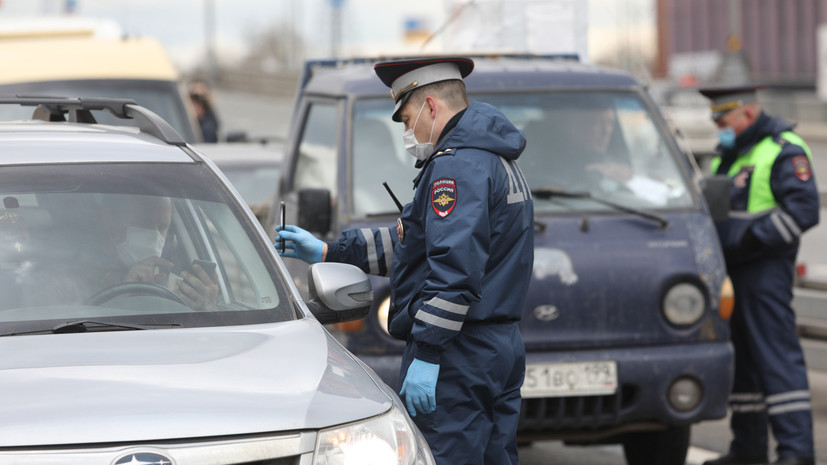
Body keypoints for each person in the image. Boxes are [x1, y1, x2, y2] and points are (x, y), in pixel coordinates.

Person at [277, 56, 534, 465]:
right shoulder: (494, 157)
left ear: (431, 106)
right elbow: (420, 244)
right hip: (497, 347)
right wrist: (330, 251)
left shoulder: (456, 166)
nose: (406, 131)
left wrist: (430, 351)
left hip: (457, 352)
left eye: (406, 117)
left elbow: (454, 270)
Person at [698, 84, 819, 465]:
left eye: (723, 120)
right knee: (744, 365)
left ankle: (796, 453)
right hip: (733, 274)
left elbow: (803, 209)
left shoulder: (784, 149)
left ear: (747, 115)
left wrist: (753, 240)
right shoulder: (730, 156)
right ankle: (747, 450)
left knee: (777, 361)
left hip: (765, 271)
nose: (719, 128)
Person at [22, 194, 218, 310]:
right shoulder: (61, 283)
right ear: (110, 222)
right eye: (144, 224)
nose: (155, 236)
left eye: (162, 226)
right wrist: (122, 295)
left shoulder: (177, 285)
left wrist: (208, 306)